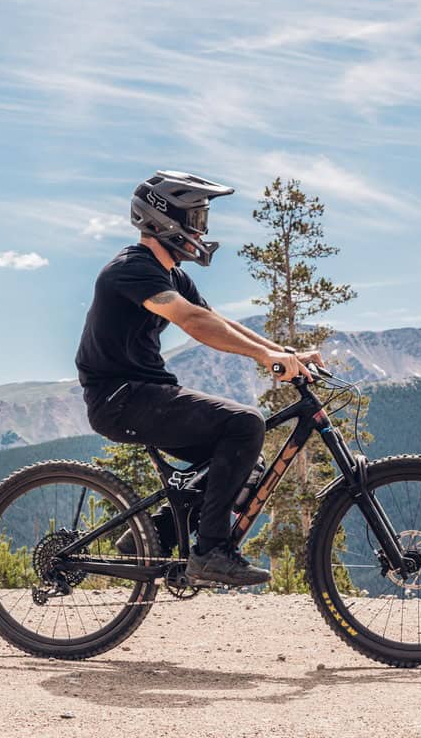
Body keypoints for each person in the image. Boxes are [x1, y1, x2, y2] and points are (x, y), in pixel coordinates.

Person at [74, 170, 325, 587]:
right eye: (197, 219)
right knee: (245, 424)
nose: (201, 230)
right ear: (165, 221)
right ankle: (209, 553)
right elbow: (191, 320)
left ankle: (154, 535)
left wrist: (284, 353)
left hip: (146, 393)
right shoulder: (131, 270)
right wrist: (266, 356)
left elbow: (215, 319)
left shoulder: (171, 274)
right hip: (119, 399)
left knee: (244, 460)